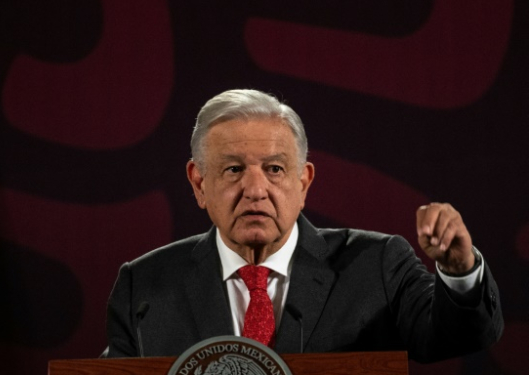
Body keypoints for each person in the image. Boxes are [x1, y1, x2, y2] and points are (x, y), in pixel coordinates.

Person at [103, 89, 503, 362]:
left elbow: (461, 337)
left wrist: (459, 272)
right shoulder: (146, 285)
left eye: (274, 169)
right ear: (199, 182)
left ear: (303, 182)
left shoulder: (375, 265)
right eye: (233, 169)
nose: (255, 189)